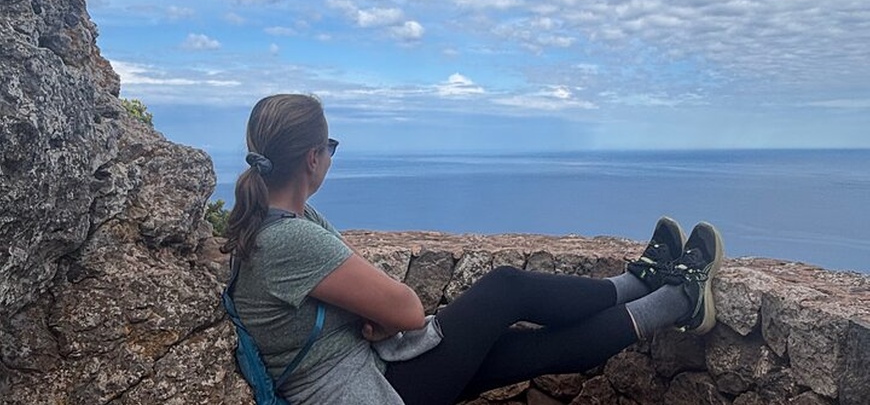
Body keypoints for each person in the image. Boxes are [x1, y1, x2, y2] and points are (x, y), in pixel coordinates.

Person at [221, 93, 725, 405]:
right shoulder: (287, 238)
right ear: (312, 157)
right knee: (505, 289)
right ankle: (655, 286)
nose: (330, 158)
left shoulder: (280, 221)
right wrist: (378, 316)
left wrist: (373, 315)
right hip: (368, 390)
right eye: (330, 148)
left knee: (526, 350)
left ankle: (674, 298)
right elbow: (408, 311)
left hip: (371, 370)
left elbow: (358, 294)